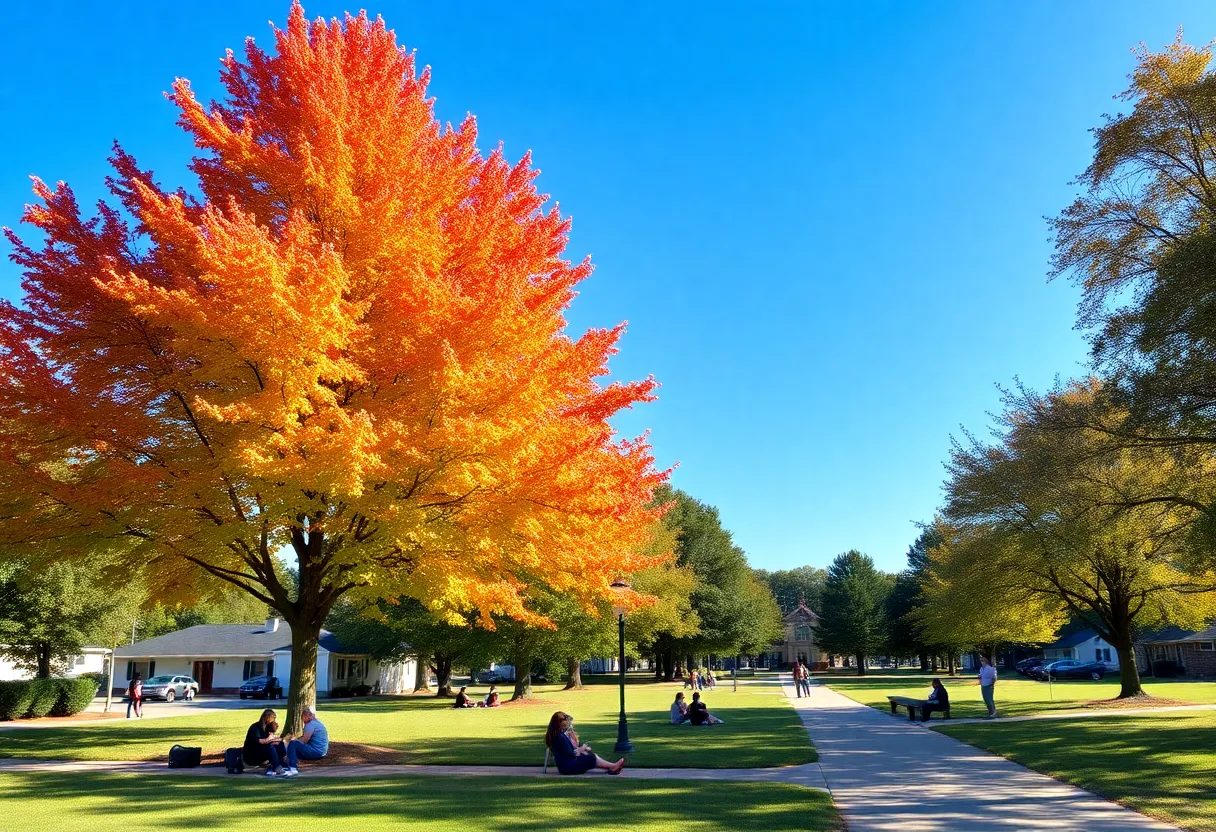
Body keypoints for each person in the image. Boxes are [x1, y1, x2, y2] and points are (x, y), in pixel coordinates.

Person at [544, 711, 624, 775]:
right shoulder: (559, 737)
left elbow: (568, 751)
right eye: (565, 720)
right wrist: (581, 749)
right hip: (568, 767)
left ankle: (612, 767)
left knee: (590, 756)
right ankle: (613, 766)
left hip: (565, 766)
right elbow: (572, 754)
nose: (567, 722)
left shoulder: (556, 735)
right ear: (559, 722)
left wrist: (581, 750)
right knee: (591, 757)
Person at [282, 706, 329, 776]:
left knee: (293, 743)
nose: (303, 720)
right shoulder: (318, 722)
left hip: (316, 751)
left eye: (303, 718)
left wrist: (290, 745)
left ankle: (293, 768)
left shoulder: (310, 725)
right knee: (293, 748)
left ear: (306, 716)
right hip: (321, 751)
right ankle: (285, 765)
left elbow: (304, 740)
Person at [244, 708, 288, 776]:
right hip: (252, 754)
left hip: (262, 751)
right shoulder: (255, 727)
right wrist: (269, 739)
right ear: (268, 718)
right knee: (270, 747)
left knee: (279, 744)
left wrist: (276, 740)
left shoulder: (268, 728)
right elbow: (260, 741)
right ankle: (277, 768)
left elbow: (269, 741)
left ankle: (283, 764)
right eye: (273, 718)